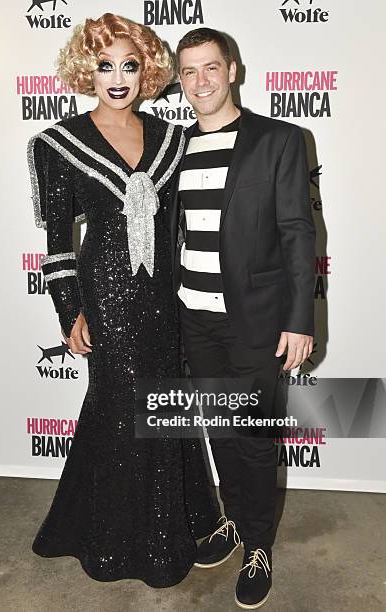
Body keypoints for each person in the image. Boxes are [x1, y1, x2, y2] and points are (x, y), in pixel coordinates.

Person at [26, 14, 220, 588]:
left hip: (167, 296)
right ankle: (110, 538)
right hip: (105, 299)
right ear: (87, 68)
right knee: (118, 405)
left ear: (147, 71)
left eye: (129, 65)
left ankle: (169, 530)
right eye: (105, 64)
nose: (117, 77)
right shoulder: (57, 144)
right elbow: (58, 243)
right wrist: (69, 311)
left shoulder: (173, 139)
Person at [169, 28, 316, 608]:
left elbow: (298, 234)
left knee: (253, 439)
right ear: (179, 81)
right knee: (220, 433)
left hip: (255, 321)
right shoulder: (175, 147)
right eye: (188, 72)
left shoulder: (278, 139)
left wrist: (299, 319)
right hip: (194, 318)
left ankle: (258, 544)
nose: (200, 82)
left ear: (233, 69)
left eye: (210, 68)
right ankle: (235, 521)